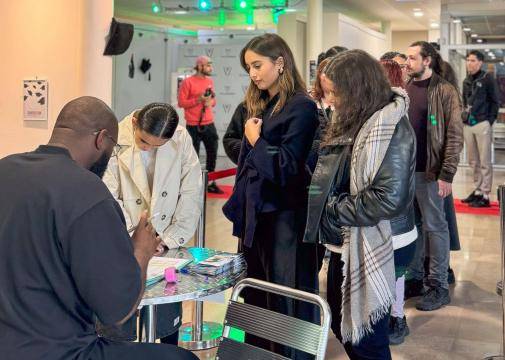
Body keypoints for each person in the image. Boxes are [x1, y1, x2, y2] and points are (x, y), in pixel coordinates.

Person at [0, 96, 197, 360]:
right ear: (101, 139)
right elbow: (116, 310)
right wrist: (141, 251)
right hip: (62, 350)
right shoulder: (87, 192)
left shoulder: (6, 168)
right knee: (183, 358)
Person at [304, 50, 416, 359]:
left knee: (366, 338)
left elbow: (388, 199)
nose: (331, 100)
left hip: (383, 241)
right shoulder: (353, 118)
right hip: (349, 240)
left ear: (356, 87)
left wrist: (331, 207)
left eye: (334, 92)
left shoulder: (392, 126)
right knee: (346, 327)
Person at [222, 33, 319, 359]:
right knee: (256, 294)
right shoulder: (259, 102)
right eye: (249, 67)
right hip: (255, 217)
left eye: (258, 65)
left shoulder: (302, 106)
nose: (253, 73)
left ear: (280, 62)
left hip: (285, 220)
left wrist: (256, 142)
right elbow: (238, 144)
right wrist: (251, 144)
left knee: (286, 297)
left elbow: (289, 168)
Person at [102, 103, 202, 344]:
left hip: (167, 239)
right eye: (144, 142)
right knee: (122, 313)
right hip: (126, 238)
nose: (149, 149)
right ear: (135, 123)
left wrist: (169, 238)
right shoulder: (116, 138)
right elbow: (108, 193)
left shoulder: (181, 138)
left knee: (167, 310)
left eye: (158, 146)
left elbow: (191, 191)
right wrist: (136, 238)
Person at [404, 41, 463, 311]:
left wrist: (446, 174)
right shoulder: (406, 88)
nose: (407, 62)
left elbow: (454, 136)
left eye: (412, 58)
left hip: (431, 173)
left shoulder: (444, 90)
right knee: (413, 228)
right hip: (406, 173)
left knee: (435, 228)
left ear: (427, 60)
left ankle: (437, 285)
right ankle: (415, 279)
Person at [379, 59, 418, 345]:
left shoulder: (393, 119)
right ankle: (393, 316)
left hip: (395, 223)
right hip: (393, 220)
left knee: (394, 275)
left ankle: (396, 318)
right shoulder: (390, 115)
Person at [178, 55, 223, 194]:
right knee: (193, 156)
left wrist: (210, 102)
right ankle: (194, 184)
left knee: (212, 152)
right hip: (192, 125)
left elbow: (213, 100)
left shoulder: (209, 81)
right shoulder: (188, 82)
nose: (211, 67)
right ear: (200, 66)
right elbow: (181, 103)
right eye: (208, 65)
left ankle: (210, 182)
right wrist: (198, 100)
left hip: (209, 123)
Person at [462, 50, 500, 208]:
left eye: (472, 60)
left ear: (480, 62)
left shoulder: (487, 78)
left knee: (484, 161)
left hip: (482, 123)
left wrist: (488, 121)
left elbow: (495, 101)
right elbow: (464, 102)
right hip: (468, 125)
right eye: (468, 60)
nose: (469, 63)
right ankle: (477, 190)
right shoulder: (466, 80)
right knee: (473, 161)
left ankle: (485, 194)